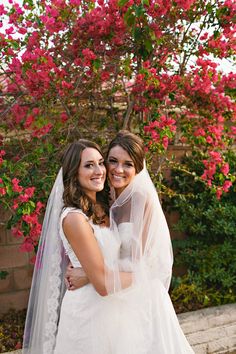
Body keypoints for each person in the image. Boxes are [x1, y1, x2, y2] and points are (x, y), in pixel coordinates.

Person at [66, 130, 194, 353]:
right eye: (113, 161)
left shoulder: (142, 200)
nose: (118, 170)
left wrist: (87, 275)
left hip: (140, 297)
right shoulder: (104, 197)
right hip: (112, 300)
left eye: (128, 164)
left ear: (138, 169)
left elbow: (139, 264)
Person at [22, 139, 134, 354]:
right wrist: (145, 275)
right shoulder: (74, 218)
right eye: (88, 165)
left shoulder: (104, 206)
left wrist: (87, 274)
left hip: (114, 310)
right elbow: (102, 284)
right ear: (74, 173)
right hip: (88, 314)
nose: (99, 170)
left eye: (100, 163)